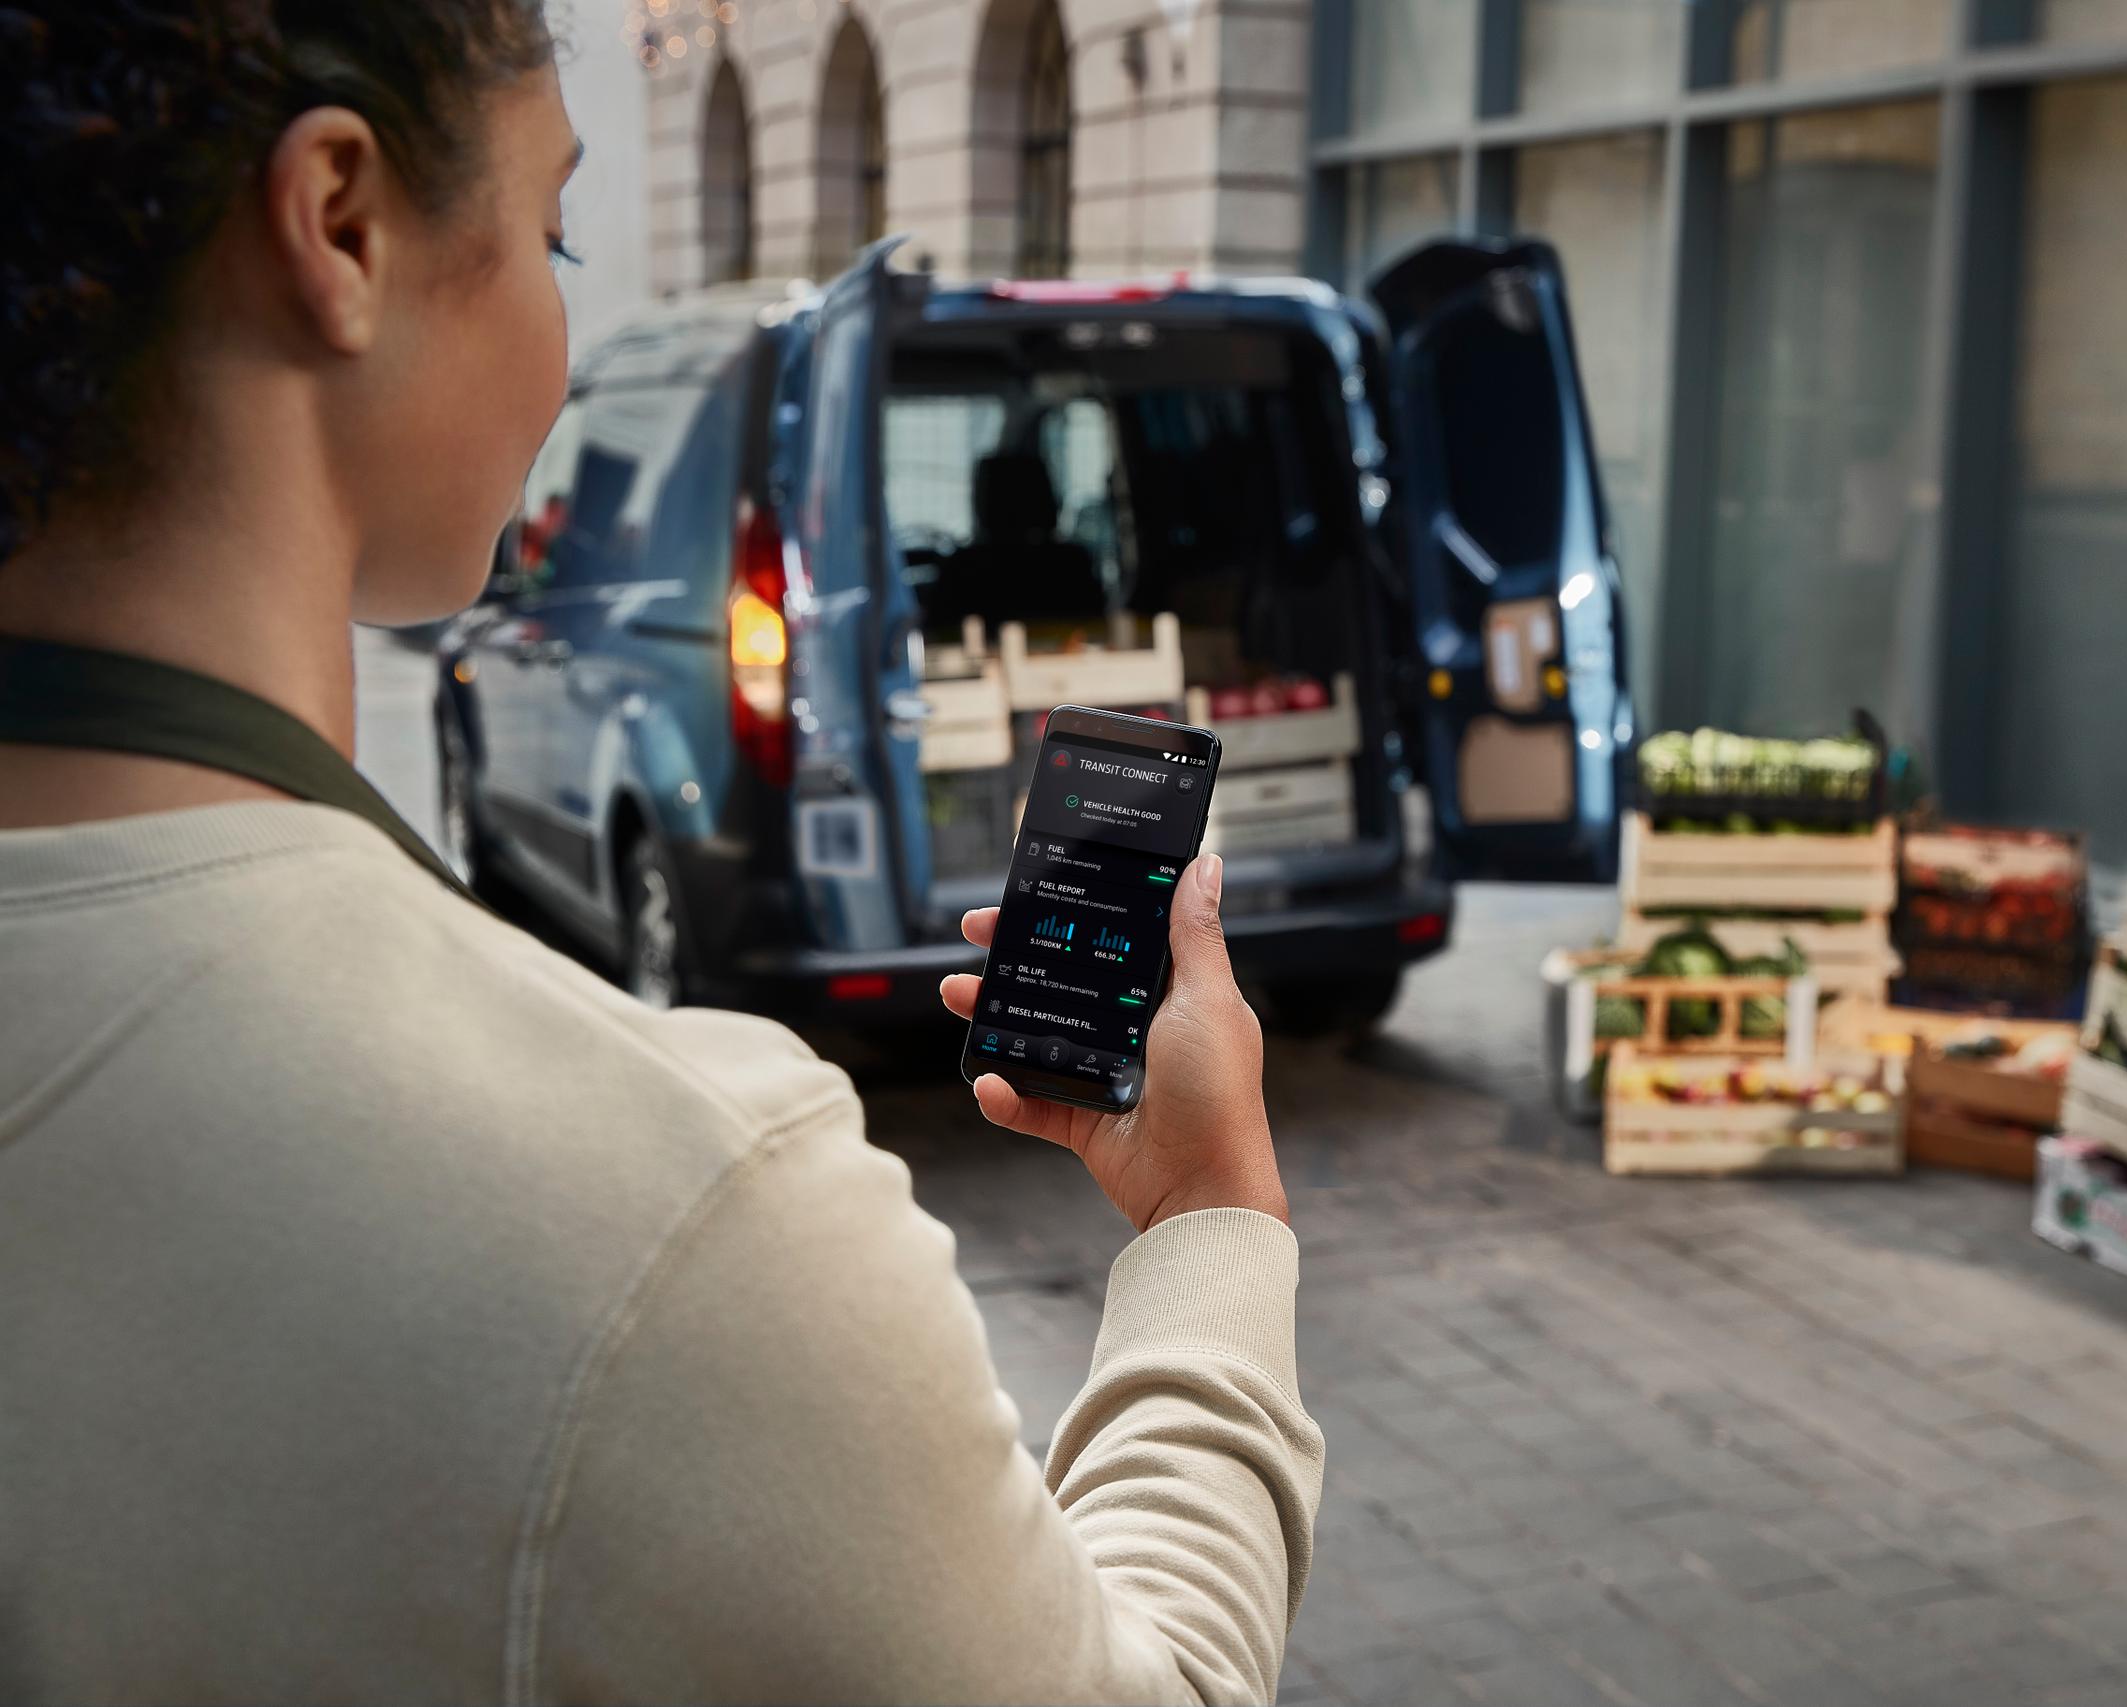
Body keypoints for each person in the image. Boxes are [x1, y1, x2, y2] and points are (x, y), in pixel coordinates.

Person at [0, 6, 1319, 1702]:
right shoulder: (678, 1207)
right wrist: (1211, 1216)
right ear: (340, 224)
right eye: (553, 230)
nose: (564, 331)